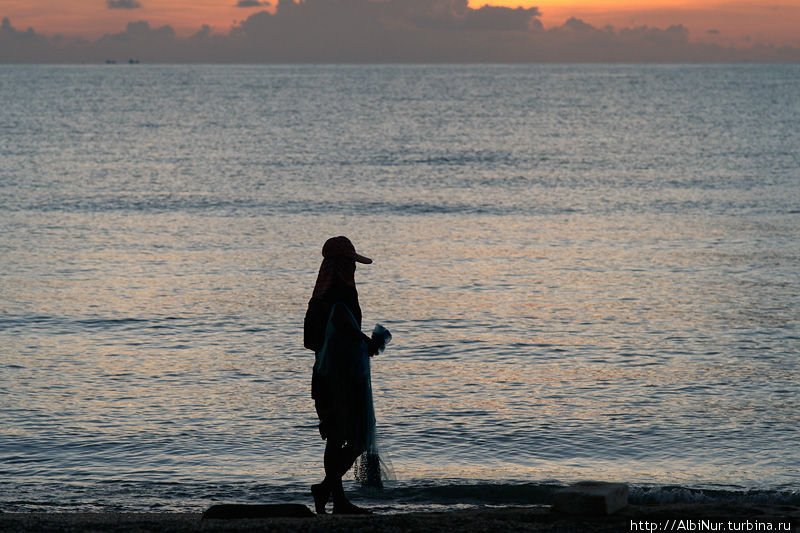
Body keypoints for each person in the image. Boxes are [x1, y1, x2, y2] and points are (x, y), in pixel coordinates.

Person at [304, 236, 380, 515]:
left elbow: (311, 341)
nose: (354, 269)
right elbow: (340, 327)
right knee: (354, 438)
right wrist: (365, 342)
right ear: (340, 265)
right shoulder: (341, 295)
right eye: (350, 263)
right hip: (341, 379)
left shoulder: (318, 298)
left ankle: (331, 492)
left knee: (338, 437)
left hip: (323, 377)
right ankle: (332, 493)